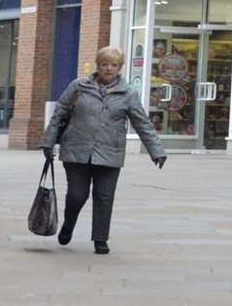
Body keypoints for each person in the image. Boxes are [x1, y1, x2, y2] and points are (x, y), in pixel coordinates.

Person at [42, 46, 166, 255]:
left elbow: (142, 123)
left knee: (104, 196)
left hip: (110, 152)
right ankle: (68, 225)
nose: (109, 69)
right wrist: (48, 142)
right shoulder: (78, 87)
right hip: (76, 150)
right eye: (104, 64)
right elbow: (59, 113)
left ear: (120, 68)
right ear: (98, 65)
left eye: (114, 65)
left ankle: (100, 239)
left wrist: (157, 150)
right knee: (76, 195)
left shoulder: (128, 94)